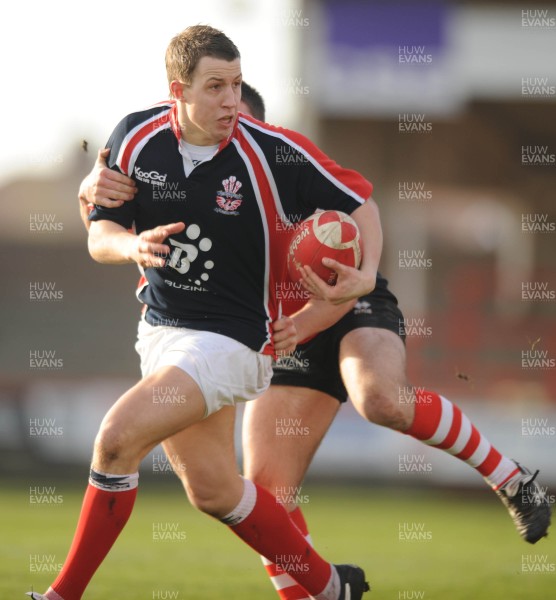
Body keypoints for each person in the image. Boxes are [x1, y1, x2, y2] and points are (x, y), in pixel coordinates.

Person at [79, 81, 552, 600]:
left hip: (345, 307)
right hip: (273, 333)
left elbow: (352, 241)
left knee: (381, 399)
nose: (228, 135)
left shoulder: (286, 166)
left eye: (241, 123)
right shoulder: (187, 176)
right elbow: (114, 229)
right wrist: (92, 192)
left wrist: (324, 307)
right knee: (268, 497)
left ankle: (513, 480)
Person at [28, 26, 383, 600]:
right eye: (215, 86)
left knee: (116, 440)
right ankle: (328, 588)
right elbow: (102, 237)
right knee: (215, 491)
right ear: (179, 91)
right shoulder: (135, 139)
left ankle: (61, 595)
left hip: (236, 340)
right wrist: (130, 247)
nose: (230, 100)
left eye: (237, 85)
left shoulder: (269, 150)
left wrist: (364, 276)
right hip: (161, 332)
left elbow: (359, 199)